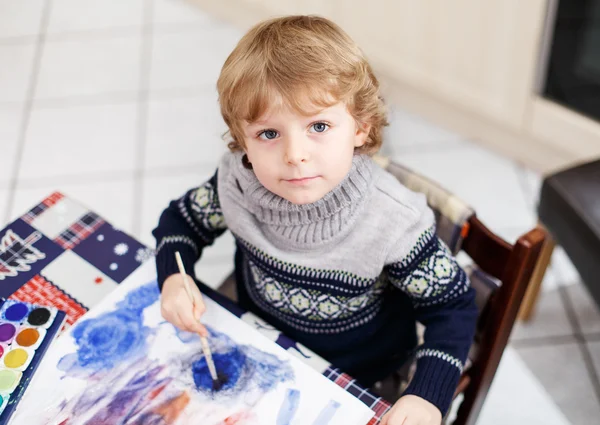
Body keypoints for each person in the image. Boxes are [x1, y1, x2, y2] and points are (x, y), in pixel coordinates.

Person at [153, 15, 478, 425]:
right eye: (269, 134)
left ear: (361, 127)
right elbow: (181, 222)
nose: (295, 154)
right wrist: (173, 276)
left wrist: (427, 396)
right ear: (242, 142)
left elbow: (453, 307)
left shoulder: (392, 219)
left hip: (360, 372)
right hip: (262, 342)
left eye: (319, 126)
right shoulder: (235, 180)